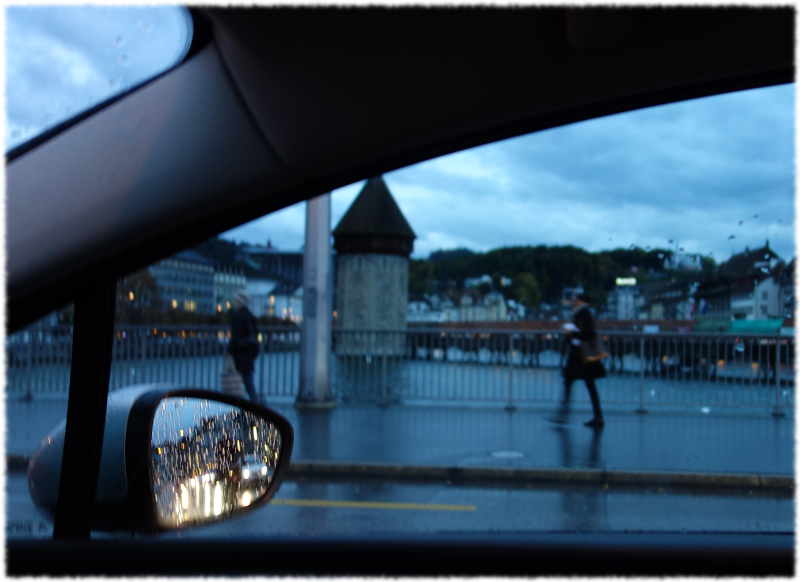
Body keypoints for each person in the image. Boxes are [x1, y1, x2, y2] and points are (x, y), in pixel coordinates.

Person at [550, 293, 606, 428]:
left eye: (575, 299)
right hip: (580, 354)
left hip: (582, 355)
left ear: (581, 301)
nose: (572, 301)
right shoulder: (582, 313)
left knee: (577, 383)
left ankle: (564, 414)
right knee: (583, 384)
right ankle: (596, 417)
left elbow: (588, 333)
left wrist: (571, 333)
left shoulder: (584, 313)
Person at [228, 292, 260, 401]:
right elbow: (255, 337)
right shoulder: (250, 316)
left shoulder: (237, 316)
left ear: (241, 302)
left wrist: (230, 352)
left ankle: (255, 407)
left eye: (236, 301)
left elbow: (234, 338)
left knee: (239, 384)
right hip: (248, 355)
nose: (234, 303)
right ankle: (254, 404)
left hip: (240, 354)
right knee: (248, 383)